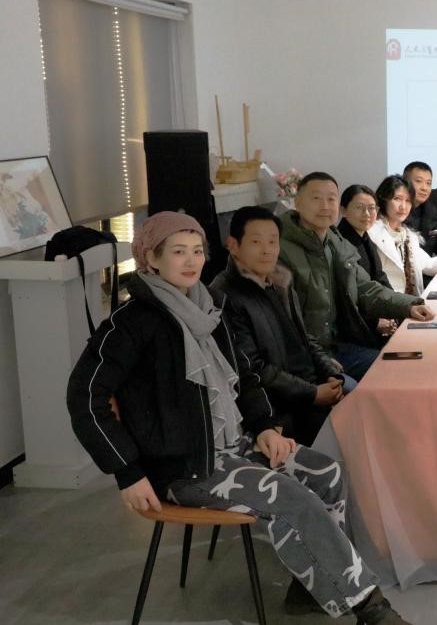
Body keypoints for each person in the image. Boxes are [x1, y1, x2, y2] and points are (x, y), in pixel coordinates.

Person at [66, 211, 411, 624]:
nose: (191, 261)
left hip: (234, 444)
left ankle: (313, 587)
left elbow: (245, 376)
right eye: (178, 252)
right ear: (151, 258)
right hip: (184, 466)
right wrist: (127, 471)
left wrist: (264, 426)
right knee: (292, 498)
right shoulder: (130, 323)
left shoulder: (209, 308)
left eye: (197, 251)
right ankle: (371, 610)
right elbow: (85, 397)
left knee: (328, 474)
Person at [279, 171, 435, 380]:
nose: (325, 206)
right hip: (309, 356)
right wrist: (321, 360)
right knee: (397, 371)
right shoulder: (280, 249)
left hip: (340, 345)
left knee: (417, 359)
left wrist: (409, 305)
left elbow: (365, 287)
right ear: (297, 202)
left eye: (331, 199)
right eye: (316, 198)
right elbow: (285, 320)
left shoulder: (335, 242)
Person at [212, 206, 346, 445]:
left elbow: (305, 337)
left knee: (361, 399)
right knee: (350, 435)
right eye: (256, 242)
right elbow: (254, 369)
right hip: (281, 406)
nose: (267, 250)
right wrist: (313, 394)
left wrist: (330, 374)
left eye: (273, 242)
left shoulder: (279, 281)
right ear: (233, 245)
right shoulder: (225, 296)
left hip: (308, 386)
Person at [370, 174, 437, 296]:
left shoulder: (408, 236)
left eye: (408, 201)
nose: (403, 206)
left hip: (410, 301)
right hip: (388, 302)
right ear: (384, 200)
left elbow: (430, 265)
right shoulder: (372, 233)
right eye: (397, 199)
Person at [336, 185, 398, 343]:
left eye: (372, 208)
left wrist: (394, 310)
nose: (367, 214)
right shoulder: (341, 241)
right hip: (355, 329)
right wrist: (376, 322)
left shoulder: (364, 237)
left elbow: (380, 277)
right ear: (343, 210)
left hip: (376, 314)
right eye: (359, 207)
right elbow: (348, 296)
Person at [402, 161, 437, 256]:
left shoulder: (432, 214)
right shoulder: (396, 212)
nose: (424, 188)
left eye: (428, 183)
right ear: (405, 182)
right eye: (418, 181)